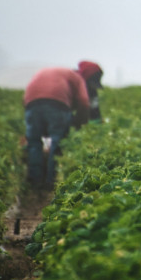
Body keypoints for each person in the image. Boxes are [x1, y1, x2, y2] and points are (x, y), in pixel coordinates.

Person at [23, 61, 101, 190]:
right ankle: (51, 182)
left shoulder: (49, 73)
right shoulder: (77, 78)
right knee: (57, 142)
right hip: (57, 103)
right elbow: (84, 103)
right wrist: (79, 124)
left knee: (34, 142)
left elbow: (26, 99)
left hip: (31, 101)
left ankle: (35, 181)